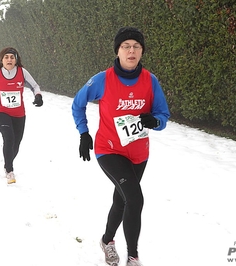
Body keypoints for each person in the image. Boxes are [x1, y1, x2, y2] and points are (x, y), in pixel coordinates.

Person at [72, 26, 170, 266]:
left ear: (142, 52)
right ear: (118, 51)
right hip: (110, 150)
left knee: (121, 200)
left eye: (136, 46)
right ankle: (133, 257)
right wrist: (84, 133)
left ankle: (107, 241)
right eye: (126, 46)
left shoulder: (150, 80)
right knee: (134, 199)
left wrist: (155, 121)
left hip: (138, 153)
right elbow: (77, 103)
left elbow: (163, 115)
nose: (131, 50)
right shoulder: (102, 79)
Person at [0, 47, 43, 184]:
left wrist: (38, 96)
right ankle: (9, 170)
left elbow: (35, 86)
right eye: (6, 57)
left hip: (19, 114)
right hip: (1, 111)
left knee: (16, 144)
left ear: (16, 60)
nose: (9, 60)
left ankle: (7, 162)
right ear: (1, 60)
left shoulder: (22, 72)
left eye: (12, 57)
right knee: (9, 137)